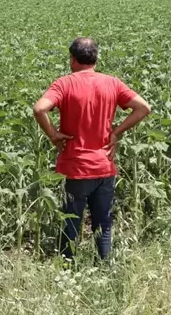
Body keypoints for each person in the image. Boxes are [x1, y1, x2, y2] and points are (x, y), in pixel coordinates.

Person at [33, 37, 151, 261]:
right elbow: (144, 108)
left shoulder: (64, 83)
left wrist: (53, 135)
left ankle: (68, 269)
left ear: (72, 59)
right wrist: (116, 133)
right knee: (103, 224)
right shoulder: (113, 83)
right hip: (104, 165)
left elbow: (40, 109)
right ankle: (105, 268)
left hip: (76, 167)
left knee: (71, 222)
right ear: (95, 58)